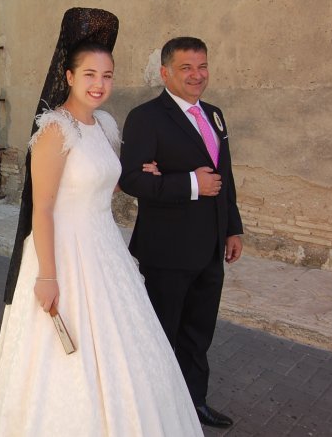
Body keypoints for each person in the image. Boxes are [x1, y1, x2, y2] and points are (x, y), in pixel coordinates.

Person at [0, 8, 202, 436]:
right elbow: (42, 208)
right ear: (69, 75)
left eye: (108, 76)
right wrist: (47, 276)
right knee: (64, 360)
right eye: (90, 74)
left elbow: (99, 182)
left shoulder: (106, 126)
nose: (100, 84)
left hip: (105, 251)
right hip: (62, 253)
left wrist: (139, 176)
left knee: (124, 353)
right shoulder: (55, 129)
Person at [119, 36, 243, 428]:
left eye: (202, 66)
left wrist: (233, 228)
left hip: (210, 246)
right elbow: (133, 179)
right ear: (165, 72)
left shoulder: (215, 114)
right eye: (186, 68)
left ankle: (195, 403)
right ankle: (156, 411)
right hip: (167, 251)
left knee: (198, 331)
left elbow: (226, 177)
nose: (196, 75)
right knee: (161, 334)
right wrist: (190, 183)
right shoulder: (146, 117)